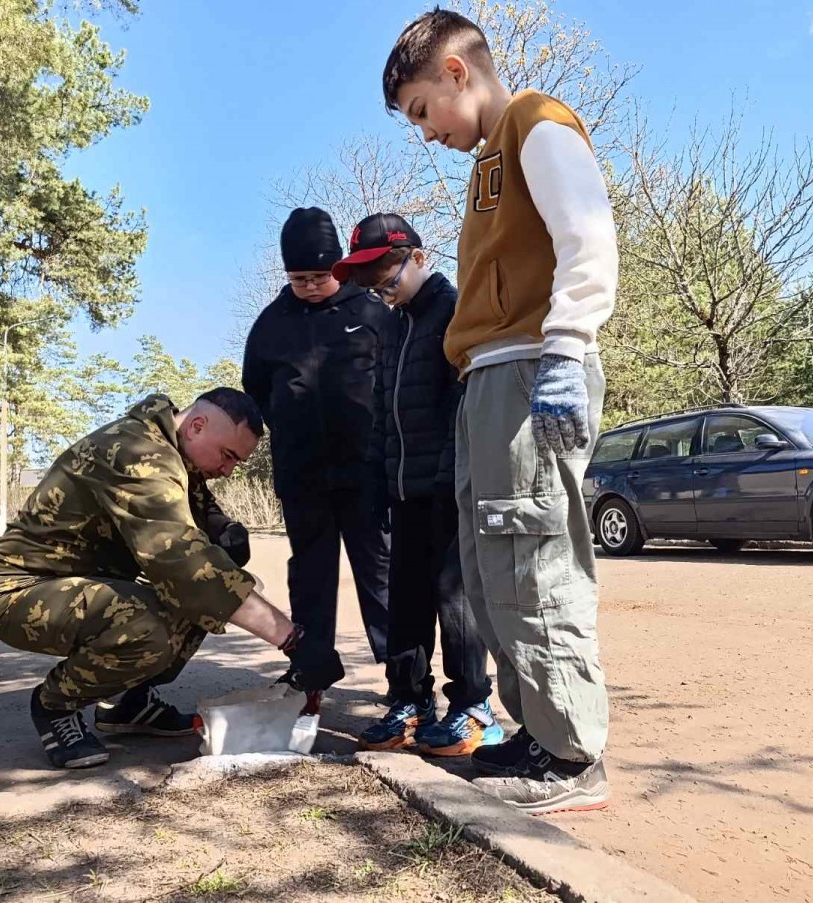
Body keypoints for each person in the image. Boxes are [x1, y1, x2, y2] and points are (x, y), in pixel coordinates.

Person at [380, 10, 618, 813]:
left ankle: (575, 754)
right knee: (490, 573)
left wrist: (565, 347)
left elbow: (588, 236)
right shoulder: (489, 158)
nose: (423, 132)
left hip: (531, 371)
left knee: (534, 561)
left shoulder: (534, 123)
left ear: (456, 72)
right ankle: (537, 728)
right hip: (488, 378)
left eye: (420, 110)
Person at [0, 389, 343, 769]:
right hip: (20, 589)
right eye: (228, 456)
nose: (227, 470)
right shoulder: (137, 452)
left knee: (211, 594)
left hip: (81, 583)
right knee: (158, 615)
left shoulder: (175, 450)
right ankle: (54, 705)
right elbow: (183, 564)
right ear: (197, 426)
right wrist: (293, 641)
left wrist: (222, 529)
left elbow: (195, 508)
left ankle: (129, 703)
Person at [331, 212, 501, 757]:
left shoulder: (454, 312)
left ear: (420, 259)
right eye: (373, 288)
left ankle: (473, 706)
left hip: (449, 487)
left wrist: (452, 475)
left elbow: (463, 404)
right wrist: (381, 481)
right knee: (403, 600)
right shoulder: (393, 326)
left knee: (454, 599)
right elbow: (382, 412)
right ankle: (408, 700)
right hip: (402, 489)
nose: (383, 293)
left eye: (388, 280)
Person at [242, 207, 393, 706]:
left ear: (339, 268)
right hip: (302, 475)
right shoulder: (271, 324)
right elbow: (257, 390)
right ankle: (309, 676)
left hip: (367, 472)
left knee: (381, 574)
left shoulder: (371, 313)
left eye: (319, 276)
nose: (309, 285)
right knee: (309, 577)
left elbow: (393, 383)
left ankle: (405, 684)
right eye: (298, 277)